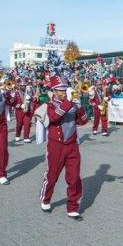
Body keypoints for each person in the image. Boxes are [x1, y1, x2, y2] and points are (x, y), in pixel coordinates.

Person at [38, 75, 89, 220]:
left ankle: (73, 207)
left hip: (72, 145)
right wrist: (68, 103)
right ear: (53, 91)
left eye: (64, 89)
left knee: (74, 178)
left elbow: (84, 121)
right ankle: (46, 199)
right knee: (52, 176)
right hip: (56, 146)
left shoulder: (71, 103)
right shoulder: (48, 105)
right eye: (60, 90)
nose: (63, 92)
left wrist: (79, 107)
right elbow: (53, 118)